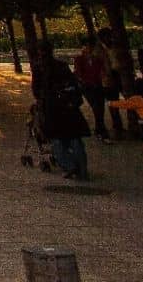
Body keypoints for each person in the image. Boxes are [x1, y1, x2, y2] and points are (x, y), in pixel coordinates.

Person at [32, 40, 91, 182]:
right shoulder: (62, 66)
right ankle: (82, 169)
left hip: (52, 109)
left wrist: (41, 102)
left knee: (57, 140)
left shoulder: (39, 68)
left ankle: (70, 167)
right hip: (69, 107)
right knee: (75, 139)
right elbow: (73, 83)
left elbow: (36, 90)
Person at [72, 35, 115, 142]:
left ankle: (99, 130)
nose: (88, 49)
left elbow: (102, 71)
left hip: (97, 85)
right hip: (87, 87)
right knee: (96, 107)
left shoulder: (97, 60)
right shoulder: (79, 59)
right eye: (86, 46)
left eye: (90, 47)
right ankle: (102, 132)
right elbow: (79, 74)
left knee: (100, 108)